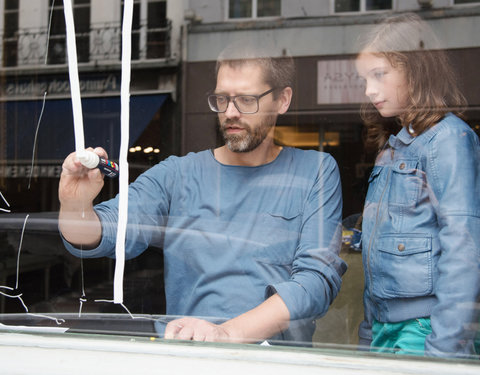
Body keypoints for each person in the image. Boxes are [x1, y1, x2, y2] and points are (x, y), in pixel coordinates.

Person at [58, 43, 346, 344]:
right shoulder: (176, 175)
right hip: (191, 355)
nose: (230, 113)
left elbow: (316, 281)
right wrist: (75, 202)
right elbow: (103, 232)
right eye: (222, 99)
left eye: (246, 100)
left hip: (278, 363)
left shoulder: (315, 171)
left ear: (282, 100)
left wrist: (226, 333)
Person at [355, 13, 480, 357]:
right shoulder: (393, 146)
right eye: (364, 79)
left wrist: (444, 351)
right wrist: (368, 334)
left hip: (425, 330)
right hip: (384, 327)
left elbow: (463, 250)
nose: (369, 90)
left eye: (379, 75)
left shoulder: (449, 140)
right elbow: (375, 254)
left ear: (417, 69)